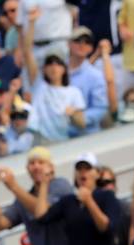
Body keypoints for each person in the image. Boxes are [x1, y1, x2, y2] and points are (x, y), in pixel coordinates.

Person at [20, 9, 86, 144]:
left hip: (64, 141)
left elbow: (82, 124)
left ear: (64, 68)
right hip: (41, 140)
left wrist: (73, 114)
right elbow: (27, 52)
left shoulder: (74, 93)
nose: (53, 67)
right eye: (49, 63)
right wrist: (32, 23)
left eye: (57, 63)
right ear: (44, 69)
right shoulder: (39, 86)